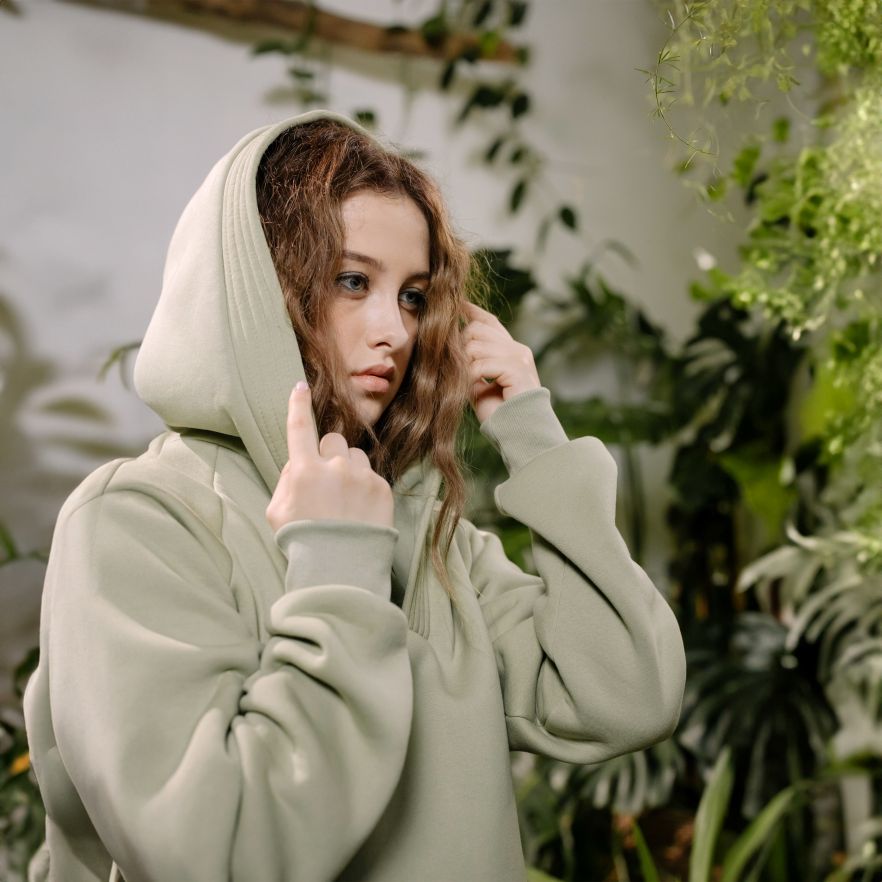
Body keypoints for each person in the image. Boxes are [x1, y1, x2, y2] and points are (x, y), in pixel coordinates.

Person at [23, 110, 686, 882]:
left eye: (413, 296)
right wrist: (337, 565)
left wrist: (533, 436)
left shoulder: (425, 527)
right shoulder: (138, 520)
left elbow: (627, 697)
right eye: (351, 281)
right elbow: (220, 856)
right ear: (254, 288)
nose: (395, 331)